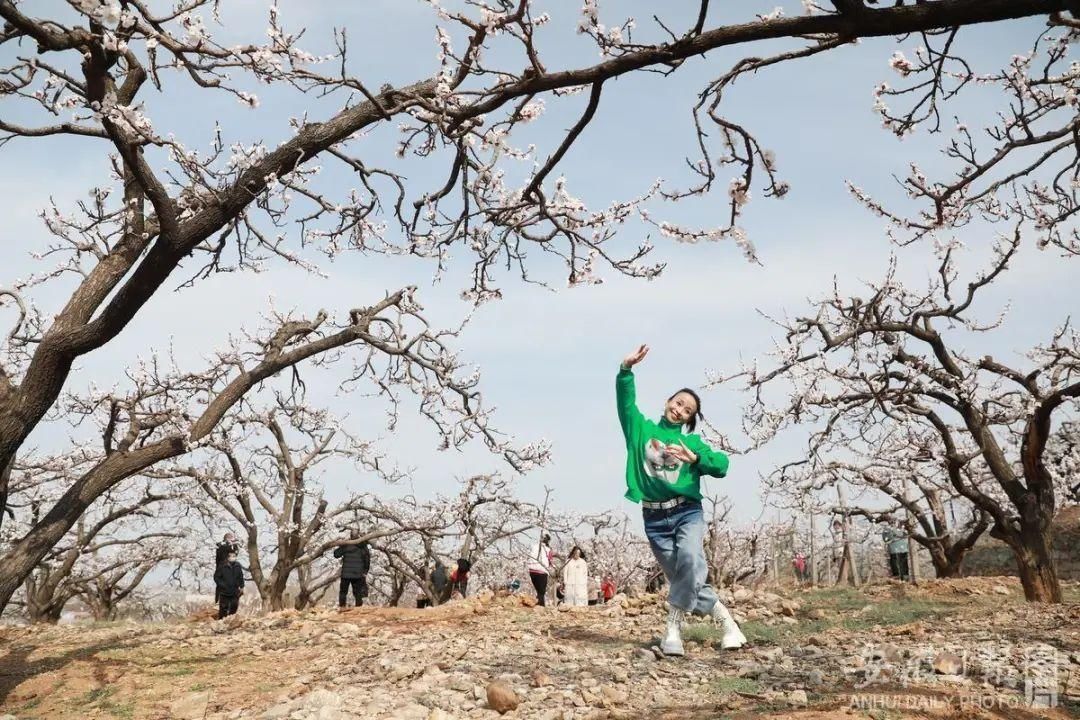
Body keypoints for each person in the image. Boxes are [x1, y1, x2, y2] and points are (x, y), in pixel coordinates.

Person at [617, 344, 747, 656]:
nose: (680, 410)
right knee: (683, 577)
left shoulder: (692, 443)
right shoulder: (641, 429)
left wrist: (694, 459)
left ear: (689, 419)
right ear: (668, 403)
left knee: (690, 559)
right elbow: (625, 403)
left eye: (687, 410)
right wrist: (626, 370)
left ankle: (672, 627)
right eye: (678, 403)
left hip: (686, 512)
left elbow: (722, 466)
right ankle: (729, 625)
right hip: (654, 519)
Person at [333, 531, 371, 609]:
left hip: (346, 574)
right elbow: (367, 559)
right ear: (358, 535)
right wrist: (365, 571)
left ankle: (342, 607)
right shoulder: (363, 546)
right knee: (358, 592)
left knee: (343, 592)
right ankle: (358, 608)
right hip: (358, 574)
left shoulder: (346, 545)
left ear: (350, 535)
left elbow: (336, 554)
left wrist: (341, 544)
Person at [214, 549, 245, 619]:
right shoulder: (222, 566)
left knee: (234, 607)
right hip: (224, 592)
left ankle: (230, 621)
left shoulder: (238, 566)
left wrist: (242, 586)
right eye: (231, 556)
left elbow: (241, 576)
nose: (233, 557)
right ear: (228, 557)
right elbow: (216, 577)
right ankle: (221, 622)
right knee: (223, 609)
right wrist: (222, 585)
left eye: (234, 556)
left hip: (235, 591)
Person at [527, 533, 554, 606]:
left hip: (532, 571)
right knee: (541, 592)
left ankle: (538, 605)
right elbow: (550, 561)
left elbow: (530, 557)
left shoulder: (534, 547)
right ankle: (541, 607)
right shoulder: (548, 549)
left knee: (539, 592)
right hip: (542, 571)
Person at [213, 533, 239, 602]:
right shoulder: (221, 546)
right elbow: (221, 554)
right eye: (230, 538)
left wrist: (233, 545)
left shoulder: (233, 547)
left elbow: (235, 553)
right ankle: (218, 601)